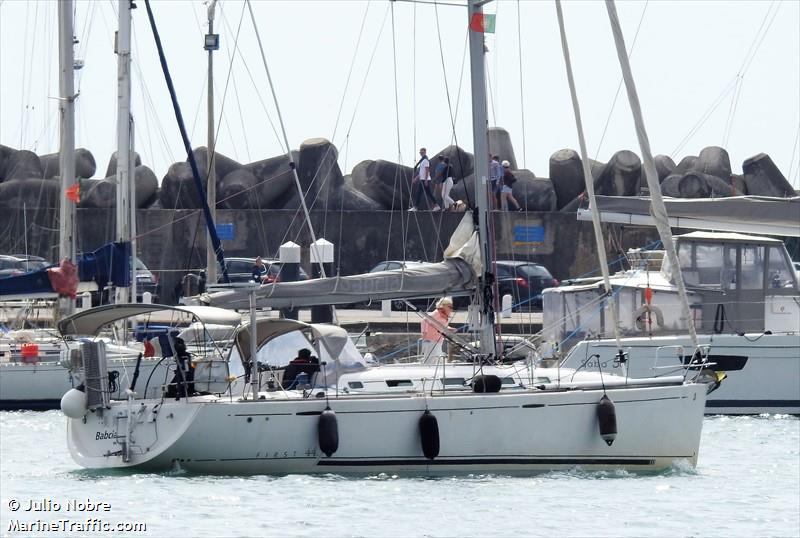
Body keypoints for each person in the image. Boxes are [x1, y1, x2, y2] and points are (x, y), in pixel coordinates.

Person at [419, 297, 454, 363]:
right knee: (431, 362)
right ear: (443, 306)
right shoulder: (437, 313)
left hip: (438, 342)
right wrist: (424, 332)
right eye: (449, 307)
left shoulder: (444, 315)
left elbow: (441, 326)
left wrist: (449, 328)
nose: (451, 309)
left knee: (439, 361)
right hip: (430, 341)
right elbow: (424, 320)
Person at [409, 147, 439, 212]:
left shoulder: (425, 160)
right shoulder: (422, 161)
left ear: (425, 152)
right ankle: (436, 206)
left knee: (421, 193)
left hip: (425, 180)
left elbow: (427, 170)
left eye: (422, 152)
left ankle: (416, 207)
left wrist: (425, 180)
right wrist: (416, 179)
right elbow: (421, 172)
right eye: (420, 152)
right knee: (427, 193)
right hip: (423, 179)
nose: (421, 153)